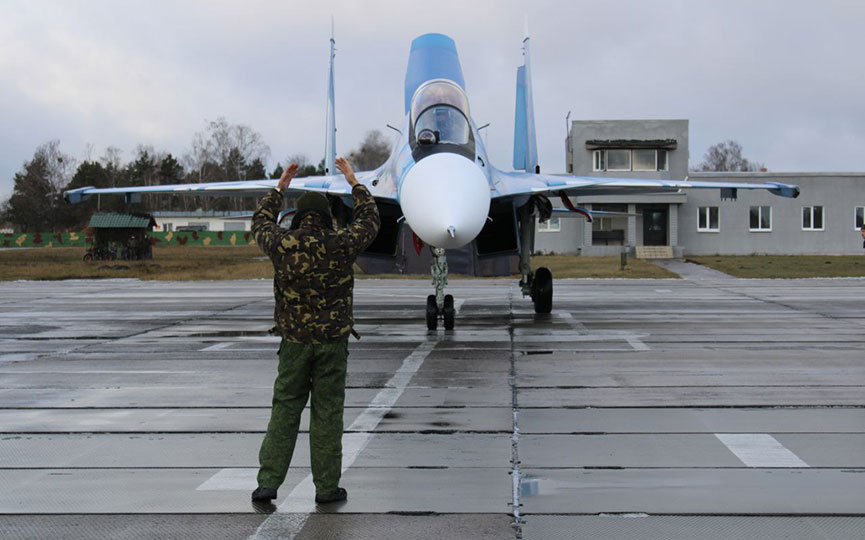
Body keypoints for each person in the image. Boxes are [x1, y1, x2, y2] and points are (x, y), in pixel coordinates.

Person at [250, 157, 380, 505]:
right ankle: (326, 487)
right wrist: (354, 182)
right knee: (328, 412)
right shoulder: (341, 244)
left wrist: (280, 188)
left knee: (285, 409)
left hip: (294, 343)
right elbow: (370, 220)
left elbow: (260, 221)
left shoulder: (282, 244)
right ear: (326, 218)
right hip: (332, 344)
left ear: (298, 217)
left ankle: (268, 483)